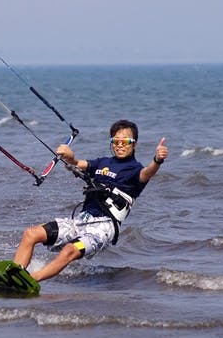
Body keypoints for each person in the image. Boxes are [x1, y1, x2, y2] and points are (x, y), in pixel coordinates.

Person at [13, 119, 169, 282]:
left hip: (102, 229)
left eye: (125, 141)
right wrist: (69, 156)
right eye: (116, 141)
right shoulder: (102, 163)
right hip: (81, 221)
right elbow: (76, 164)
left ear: (134, 144)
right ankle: (14, 274)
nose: (120, 145)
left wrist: (158, 160)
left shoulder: (136, 170)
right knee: (31, 234)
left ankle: (30, 280)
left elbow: (148, 172)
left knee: (69, 251)